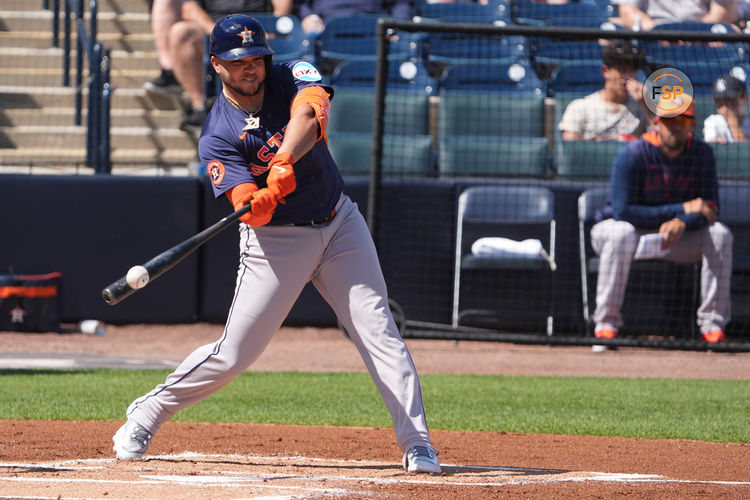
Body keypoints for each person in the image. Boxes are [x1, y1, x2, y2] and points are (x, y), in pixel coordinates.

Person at [112, 14, 441, 474]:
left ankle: (417, 442)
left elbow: (312, 111)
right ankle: (148, 411)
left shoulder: (291, 73)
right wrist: (261, 197)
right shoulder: (217, 135)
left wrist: (283, 160)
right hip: (276, 242)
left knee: (378, 330)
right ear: (216, 65)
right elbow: (248, 206)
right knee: (235, 353)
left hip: (338, 220)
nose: (251, 66)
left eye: (256, 57)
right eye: (238, 60)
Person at [589, 96, 733, 352]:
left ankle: (712, 328)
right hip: (623, 232)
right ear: (656, 122)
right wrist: (680, 210)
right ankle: (605, 326)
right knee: (622, 233)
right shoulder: (632, 154)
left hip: (676, 236)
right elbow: (623, 212)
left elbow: (711, 209)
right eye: (670, 120)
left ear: (692, 124)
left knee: (720, 234)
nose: (676, 126)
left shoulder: (702, 153)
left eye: (683, 119)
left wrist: (682, 221)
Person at [144, 0, 293, 131]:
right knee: (181, 32)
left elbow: (282, 5)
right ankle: (199, 107)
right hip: (215, 33)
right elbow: (189, 7)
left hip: (257, 34)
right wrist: (218, 33)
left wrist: (271, 27)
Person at [558, 40, 650, 142]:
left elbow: (661, 143)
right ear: (605, 71)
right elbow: (569, 151)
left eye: (633, 70)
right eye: (622, 70)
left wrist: (647, 104)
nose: (628, 77)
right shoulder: (580, 108)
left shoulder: (642, 107)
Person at [297, 0, 415, 33]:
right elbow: (303, 4)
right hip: (328, 33)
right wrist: (308, 16)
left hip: (373, 35)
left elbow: (401, 4)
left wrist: (395, 28)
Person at [610, 0, 739, 31]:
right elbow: (628, 11)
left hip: (702, 39)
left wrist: (692, 35)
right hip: (652, 38)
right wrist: (660, 33)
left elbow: (723, 13)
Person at [703, 72, 750, 143]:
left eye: (731, 101)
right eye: (720, 103)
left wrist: (732, 120)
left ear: (745, 98)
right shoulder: (712, 122)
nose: (726, 107)